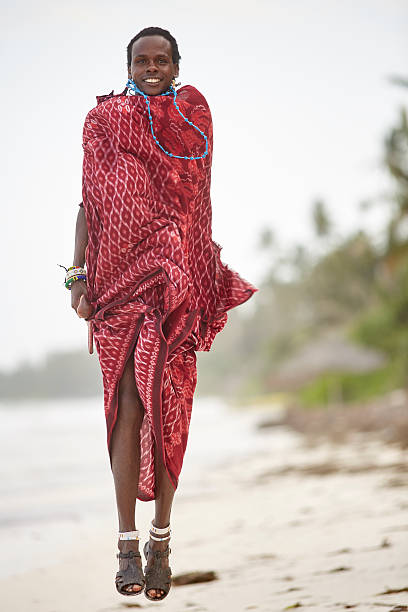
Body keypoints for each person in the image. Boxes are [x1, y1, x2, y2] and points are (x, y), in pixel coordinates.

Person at [66, 26, 257, 601]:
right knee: (126, 405)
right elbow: (88, 205)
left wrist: (195, 273)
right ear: (128, 65)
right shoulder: (103, 121)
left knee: (167, 405)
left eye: (162, 59)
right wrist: (77, 276)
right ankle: (126, 545)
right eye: (142, 60)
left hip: (175, 282)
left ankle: (162, 543)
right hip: (116, 285)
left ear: (176, 65)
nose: (152, 67)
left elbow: (195, 202)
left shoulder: (192, 116)